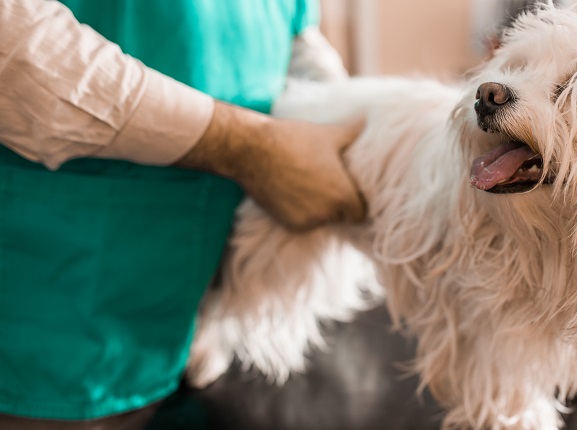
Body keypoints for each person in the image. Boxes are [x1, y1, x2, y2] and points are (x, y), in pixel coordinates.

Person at [0, 0, 364, 427]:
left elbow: (290, 29)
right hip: (55, 328)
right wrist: (250, 148)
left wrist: (356, 119)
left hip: (216, 330)